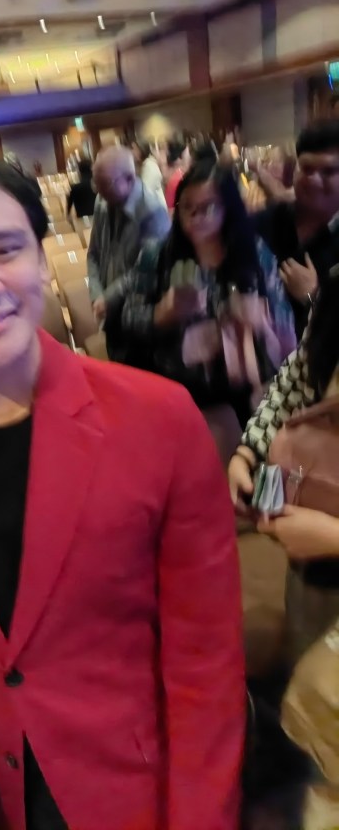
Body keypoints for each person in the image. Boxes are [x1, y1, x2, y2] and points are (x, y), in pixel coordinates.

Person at [0, 139, 245, 830]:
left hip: (127, 790)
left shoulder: (156, 419)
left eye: (5, 250)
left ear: (40, 257)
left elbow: (205, 662)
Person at [122, 158, 296, 428]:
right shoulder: (157, 255)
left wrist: (261, 319)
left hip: (248, 393)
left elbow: (284, 321)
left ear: (228, 208)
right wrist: (162, 314)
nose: (195, 217)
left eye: (208, 208)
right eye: (187, 207)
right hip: (182, 393)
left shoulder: (253, 252)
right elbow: (128, 318)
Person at [229, 265, 339, 661]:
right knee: (308, 672)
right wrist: (246, 455)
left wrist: (333, 537)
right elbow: (286, 392)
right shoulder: (334, 298)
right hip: (310, 580)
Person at [255, 120, 339, 338]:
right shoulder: (265, 222)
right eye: (307, 169)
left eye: (328, 171)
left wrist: (312, 296)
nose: (314, 180)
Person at [87, 146, 170, 361]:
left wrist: (108, 297)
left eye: (105, 185)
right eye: (96, 184)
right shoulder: (102, 201)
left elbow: (146, 271)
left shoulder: (152, 212)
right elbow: (93, 254)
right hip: (111, 317)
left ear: (130, 179)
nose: (99, 193)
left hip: (138, 318)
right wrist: (96, 294)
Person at [65, 158, 97, 236]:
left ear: (79, 171)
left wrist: (68, 215)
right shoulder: (97, 186)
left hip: (82, 220)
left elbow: (69, 203)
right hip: (97, 217)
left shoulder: (75, 187)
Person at [164, 139, 191, 209]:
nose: (190, 158)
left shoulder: (178, 174)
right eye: (188, 155)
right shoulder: (178, 178)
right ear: (179, 159)